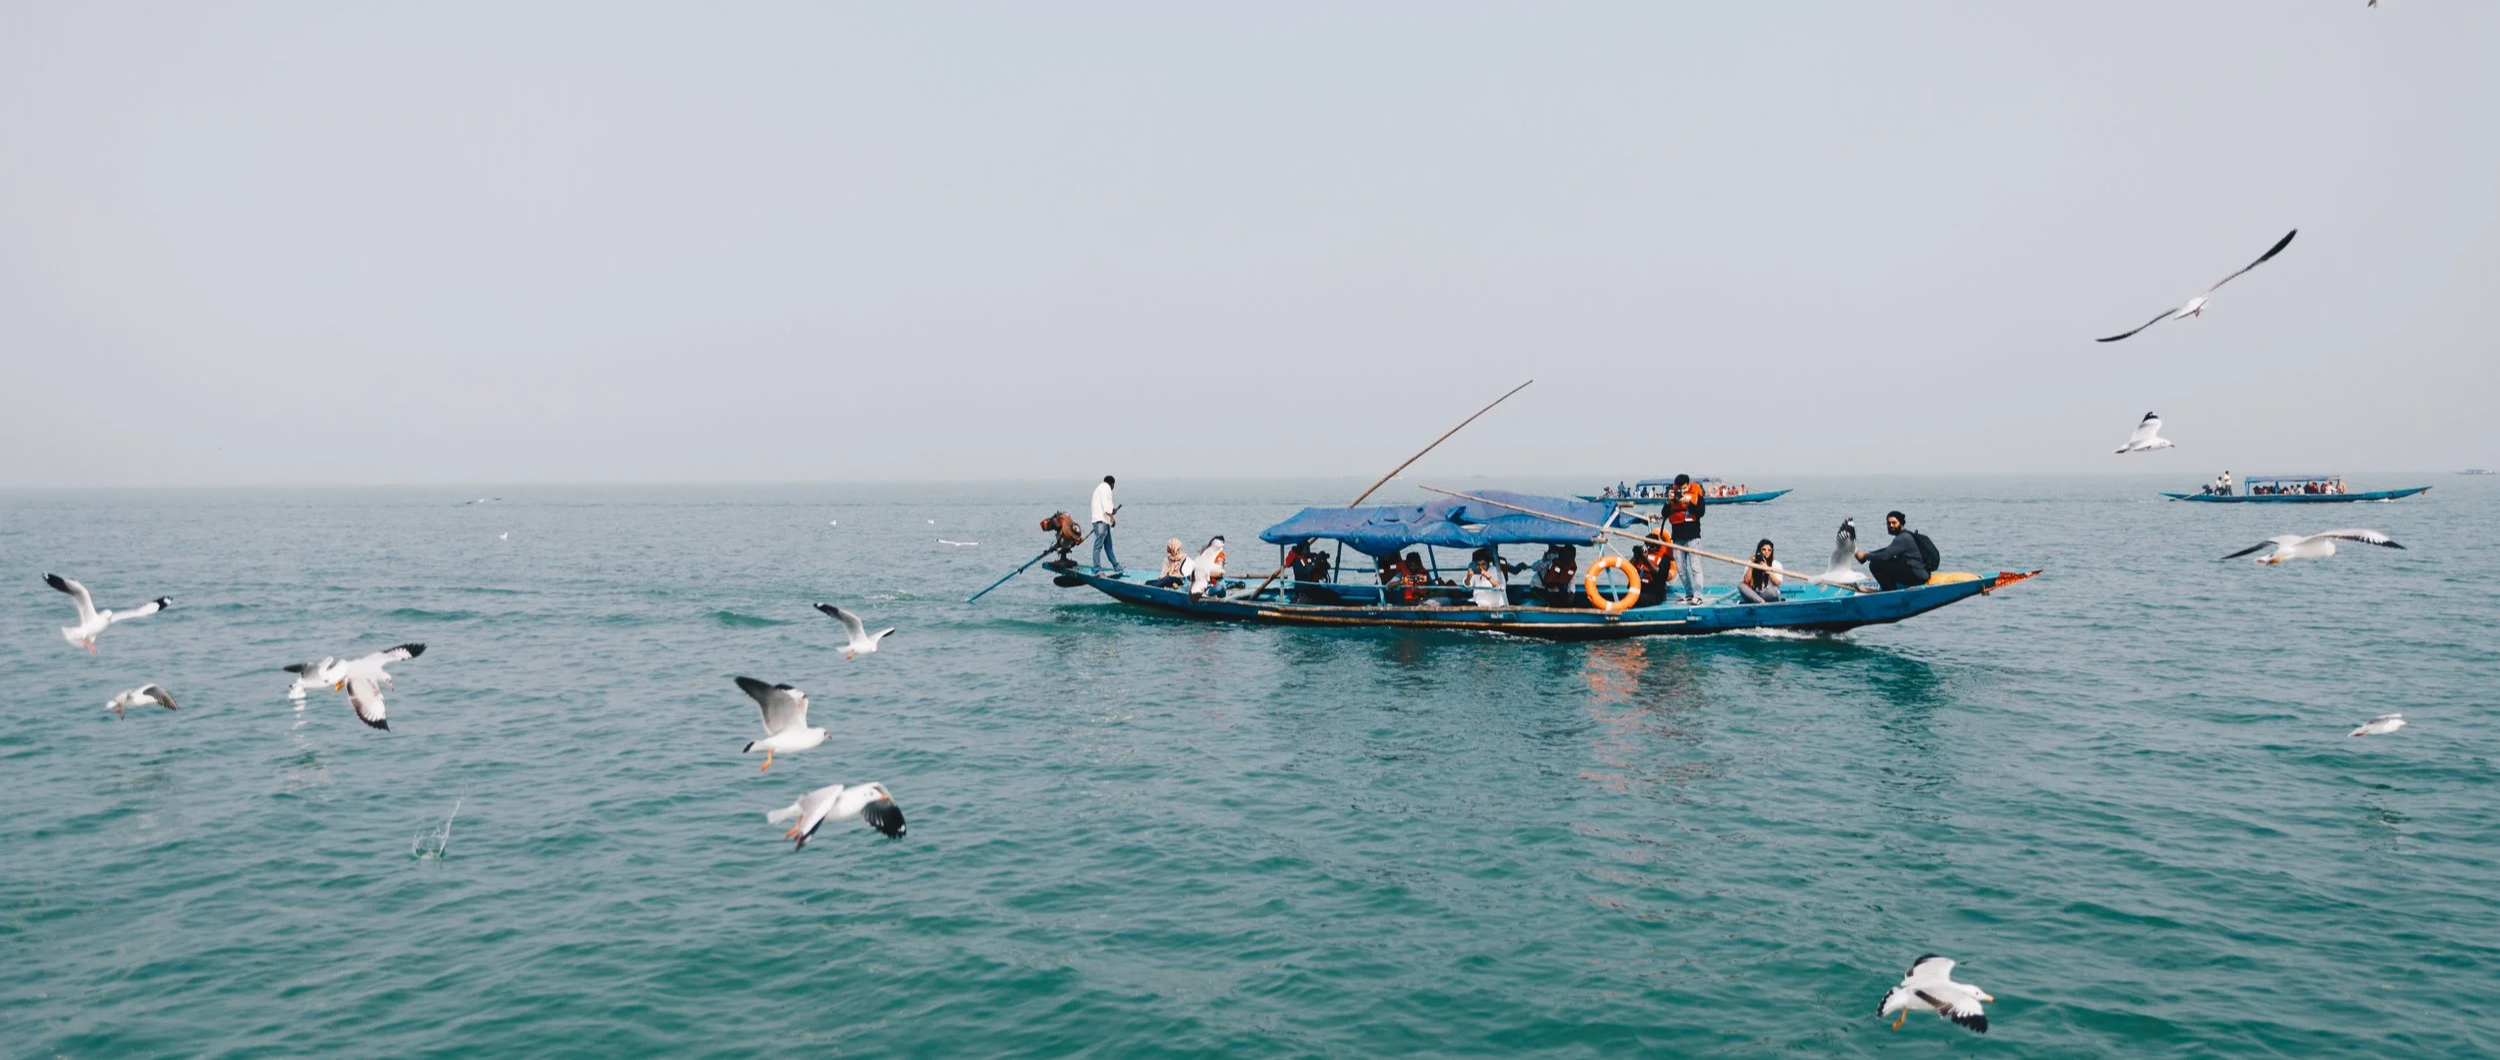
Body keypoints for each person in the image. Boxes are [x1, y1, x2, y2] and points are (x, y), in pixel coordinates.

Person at [1854, 511, 1930, 591]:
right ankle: (1891, 587)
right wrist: (1868, 553)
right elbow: (1887, 550)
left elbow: (1884, 556)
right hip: (1920, 574)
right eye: (1889, 523)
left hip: (1918, 575)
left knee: (1875, 564)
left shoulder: (1903, 538)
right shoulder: (1905, 535)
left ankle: (1888, 591)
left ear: (1901, 523)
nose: (1891, 525)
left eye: (1894, 522)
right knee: (1886, 561)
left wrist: (1865, 556)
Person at [1662, 472, 1708, 603]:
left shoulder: (1696, 495)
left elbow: (1701, 512)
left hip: (1692, 537)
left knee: (1695, 567)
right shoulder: (1673, 496)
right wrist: (1668, 501)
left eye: (1684, 488)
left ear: (1688, 485)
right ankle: (1689, 593)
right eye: (1679, 489)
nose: (1682, 491)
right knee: (1681, 569)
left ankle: (1698, 596)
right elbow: (1664, 513)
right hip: (1677, 538)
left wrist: (1688, 503)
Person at [1737, 539, 1787, 604]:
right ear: (1759, 550)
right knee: (1740, 585)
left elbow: (1777, 583)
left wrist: (1767, 569)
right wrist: (1752, 565)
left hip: (1768, 594)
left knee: (1773, 591)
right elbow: (1746, 580)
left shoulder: (1776, 564)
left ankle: (1756, 601)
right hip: (1755, 593)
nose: (1766, 552)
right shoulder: (1751, 562)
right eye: (1764, 549)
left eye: (1769, 550)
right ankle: (1761, 601)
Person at [1089, 475, 1121, 575]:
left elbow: (1105, 505)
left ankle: (1117, 567)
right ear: (1112, 484)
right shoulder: (1106, 488)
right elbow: (1105, 504)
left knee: (1108, 546)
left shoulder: (1100, 488)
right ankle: (1098, 570)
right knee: (1098, 546)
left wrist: (1112, 511)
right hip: (1101, 522)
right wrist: (1111, 517)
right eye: (1113, 485)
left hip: (1103, 521)